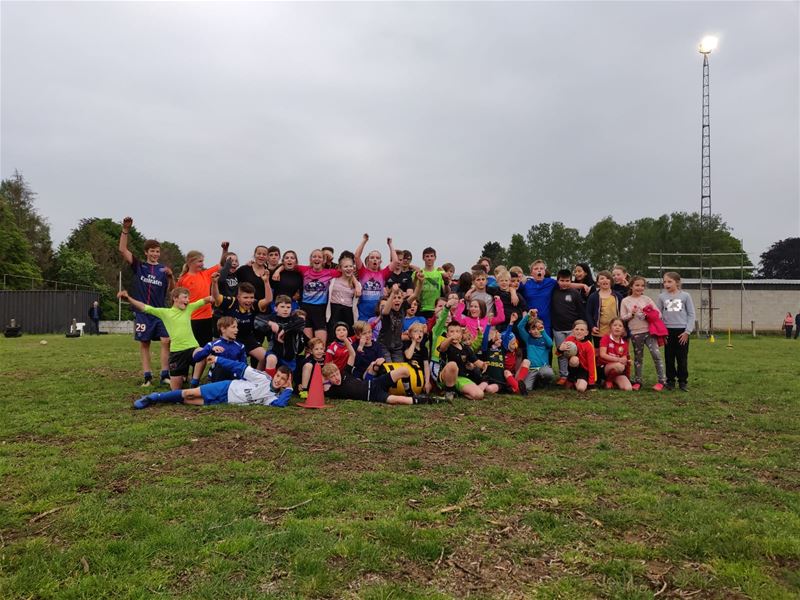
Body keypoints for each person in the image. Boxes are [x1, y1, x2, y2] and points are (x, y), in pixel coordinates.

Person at [118, 287, 212, 390]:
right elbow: (145, 307)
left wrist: (215, 295)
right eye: (185, 297)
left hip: (192, 348)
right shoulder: (165, 313)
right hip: (176, 353)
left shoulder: (189, 308)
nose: (187, 300)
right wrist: (128, 299)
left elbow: (205, 300)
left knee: (202, 354)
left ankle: (194, 383)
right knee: (175, 391)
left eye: (188, 298)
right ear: (175, 298)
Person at [117, 216, 173, 386]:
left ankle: (165, 374)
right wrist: (125, 230)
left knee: (166, 341)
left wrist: (171, 277)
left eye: (157, 251)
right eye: (152, 251)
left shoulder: (164, 270)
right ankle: (147, 376)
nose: (155, 254)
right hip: (142, 312)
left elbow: (172, 291)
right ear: (146, 252)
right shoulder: (139, 266)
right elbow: (122, 249)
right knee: (145, 343)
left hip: (159, 312)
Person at [133, 357, 293, 409]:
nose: (278, 380)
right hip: (226, 387)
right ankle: (154, 397)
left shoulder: (272, 397)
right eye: (278, 376)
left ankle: (164, 398)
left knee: (189, 401)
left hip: (226, 401)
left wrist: (289, 389)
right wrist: (218, 359)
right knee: (189, 393)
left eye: (282, 380)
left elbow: (280, 405)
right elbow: (239, 366)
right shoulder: (263, 378)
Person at [321, 337, 437, 405]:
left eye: (336, 374)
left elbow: (352, 354)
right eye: (332, 376)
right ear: (328, 379)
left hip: (376, 383)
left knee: (404, 371)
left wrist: (345, 339)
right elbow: (320, 385)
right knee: (400, 400)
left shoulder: (344, 372)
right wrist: (322, 375)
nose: (336, 377)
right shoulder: (333, 391)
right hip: (373, 395)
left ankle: (409, 391)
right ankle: (431, 400)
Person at [273, 249, 340, 344]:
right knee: (308, 344)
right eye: (314, 256)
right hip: (305, 308)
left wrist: (356, 284)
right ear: (310, 259)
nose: (317, 259)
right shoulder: (304, 270)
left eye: (320, 257)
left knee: (321, 344)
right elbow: (288, 264)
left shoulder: (329, 272)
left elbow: (345, 271)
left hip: (320, 309)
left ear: (324, 260)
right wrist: (277, 271)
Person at [620, 276, 666, 391]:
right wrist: (632, 314)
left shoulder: (647, 299)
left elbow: (659, 314)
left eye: (642, 286)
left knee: (656, 355)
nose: (640, 288)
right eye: (637, 285)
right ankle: (638, 381)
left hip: (649, 332)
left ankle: (662, 381)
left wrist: (648, 314)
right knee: (638, 358)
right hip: (636, 333)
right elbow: (622, 317)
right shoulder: (625, 301)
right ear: (631, 286)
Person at [177, 246, 225, 347]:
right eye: (199, 261)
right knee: (193, 347)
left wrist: (225, 250)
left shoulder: (206, 274)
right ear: (190, 262)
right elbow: (177, 298)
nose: (202, 264)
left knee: (205, 347)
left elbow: (222, 265)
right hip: (191, 318)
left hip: (207, 317)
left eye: (202, 261)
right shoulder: (183, 279)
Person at [656, 272, 695, 392]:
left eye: (669, 281)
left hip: (682, 331)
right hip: (668, 332)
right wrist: (662, 332)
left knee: (682, 357)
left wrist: (687, 331)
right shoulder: (662, 297)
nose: (666, 284)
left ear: (677, 282)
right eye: (664, 282)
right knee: (669, 357)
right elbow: (658, 315)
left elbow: (691, 314)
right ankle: (670, 381)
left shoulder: (685, 296)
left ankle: (683, 381)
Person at [437, 321, 490, 401]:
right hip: (445, 377)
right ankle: (448, 390)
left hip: (460, 377)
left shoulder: (466, 348)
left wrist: (483, 364)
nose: (455, 334)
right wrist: (451, 338)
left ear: (461, 335)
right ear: (447, 334)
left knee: (479, 395)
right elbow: (442, 348)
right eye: (451, 332)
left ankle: (457, 392)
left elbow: (476, 361)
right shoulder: (447, 345)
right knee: (452, 365)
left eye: (457, 331)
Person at [550, 269, 585, 384]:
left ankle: (574, 375)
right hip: (558, 329)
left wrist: (579, 326)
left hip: (572, 329)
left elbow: (581, 310)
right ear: (558, 281)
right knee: (562, 352)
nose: (564, 283)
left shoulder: (574, 293)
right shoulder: (554, 291)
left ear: (571, 281)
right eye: (562, 280)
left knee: (574, 352)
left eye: (567, 280)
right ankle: (563, 375)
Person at [354, 233, 399, 322]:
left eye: (377, 258)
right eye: (372, 257)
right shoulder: (363, 271)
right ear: (368, 260)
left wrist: (390, 245)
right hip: (363, 310)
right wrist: (364, 241)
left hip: (378, 309)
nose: (375, 259)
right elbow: (356, 256)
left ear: (380, 261)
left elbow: (395, 261)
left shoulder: (383, 274)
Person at [192, 316, 247, 382]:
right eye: (233, 327)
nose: (237, 330)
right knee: (220, 367)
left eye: (236, 327)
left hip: (233, 379)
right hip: (217, 378)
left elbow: (244, 365)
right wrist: (210, 349)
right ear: (223, 329)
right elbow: (196, 358)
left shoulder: (240, 346)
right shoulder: (212, 344)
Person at [516, 310, 555, 390]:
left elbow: (550, 344)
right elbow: (519, 327)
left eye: (538, 329)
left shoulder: (544, 338)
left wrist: (543, 331)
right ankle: (536, 382)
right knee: (527, 387)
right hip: (531, 369)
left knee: (548, 373)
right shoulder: (528, 338)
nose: (536, 331)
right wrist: (528, 315)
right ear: (529, 331)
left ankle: (543, 383)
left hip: (543, 368)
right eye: (533, 329)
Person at [327, 255, 361, 341]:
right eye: (346, 266)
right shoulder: (333, 280)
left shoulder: (356, 284)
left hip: (348, 310)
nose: (348, 268)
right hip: (334, 309)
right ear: (340, 268)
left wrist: (356, 285)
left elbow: (359, 293)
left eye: (350, 266)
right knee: (333, 333)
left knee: (348, 334)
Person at [559, 320, 596, 393]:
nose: (579, 331)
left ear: (586, 333)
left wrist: (591, 383)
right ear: (573, 331)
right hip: (573, 368)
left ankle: (574, 382)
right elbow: (558, 354)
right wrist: (560, 349)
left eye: (582, 330)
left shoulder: (588, 345)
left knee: (581, 389)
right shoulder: (569, 340)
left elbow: (592, 365)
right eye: (577, 329)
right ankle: (571, 377)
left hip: (584, 371)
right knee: (574, 359)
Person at [597, 318, 633, 391]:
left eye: (620, 326)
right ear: (611, 327)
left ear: (623, 330)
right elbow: (602, 354)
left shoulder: (624, 343)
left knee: (628, 388)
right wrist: (618, 359)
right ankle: (608, 381)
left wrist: (627, 361)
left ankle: (612, 381)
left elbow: (624, 359)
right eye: (615, 325)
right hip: (604, 368)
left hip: (617, 370)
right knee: (619, 366)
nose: (617, 327)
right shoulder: (605, 338)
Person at [418, 247, 445, 318]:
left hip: (436, 308)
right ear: (423, 258)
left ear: (435, 258)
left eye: (431, 256)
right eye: (427, 256)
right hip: (422, 308)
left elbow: (443, 290)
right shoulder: (418, 273)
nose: (429, 258)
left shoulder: (439, 273)